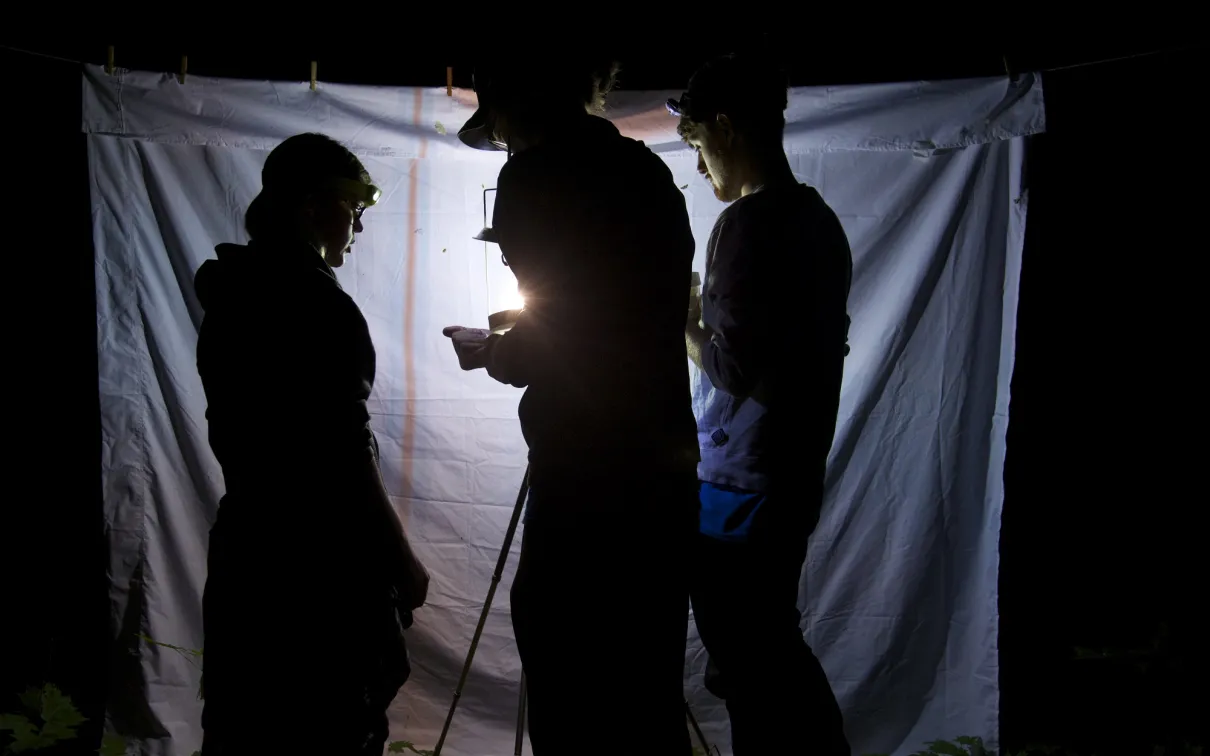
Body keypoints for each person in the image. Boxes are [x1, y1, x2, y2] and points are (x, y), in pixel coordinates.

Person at [443, 52, 700, 755]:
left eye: (498, 129)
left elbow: (553, 335)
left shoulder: (535, 175)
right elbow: (617, 313)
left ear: (516, 108)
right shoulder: (646, 174)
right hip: (662, 467)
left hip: (587, 472)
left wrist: (492, 348)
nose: (501, 144)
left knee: (568, 676)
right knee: (645, 688)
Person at [193, 133, 429, 755]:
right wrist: (399, 559)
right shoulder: (313, 302)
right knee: (332, 727)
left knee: (246, 728)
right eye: (351, 206)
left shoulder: (233, 292)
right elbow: (342, 452)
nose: (358, 223)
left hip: (248, 552)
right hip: (316, 570)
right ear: (308, 208)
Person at [668, 54, 853, 755]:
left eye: (695, 142)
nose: (697, 163)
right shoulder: (818, 219)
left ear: (724, 125)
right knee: (763, 652)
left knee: (754, 662)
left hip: (743, 486)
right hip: (787, 474)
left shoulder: (748, 224)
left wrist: (678, 317)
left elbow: (733, 365)